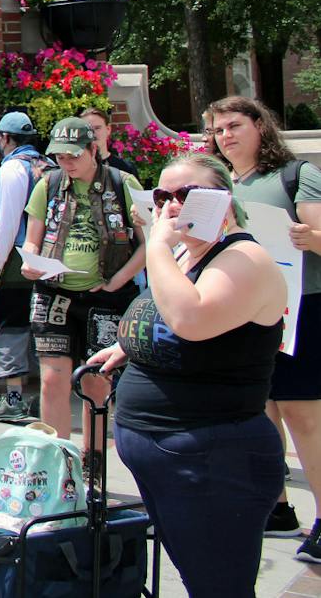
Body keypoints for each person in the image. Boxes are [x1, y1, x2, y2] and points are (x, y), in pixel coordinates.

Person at [89, 153, 287, 598]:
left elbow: (191, 318)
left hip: (213, 459)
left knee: (218, 588)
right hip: (166, 456)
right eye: (163, 196)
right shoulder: (186, 254)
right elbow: (165, 314)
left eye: (188, 194)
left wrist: (154, 245)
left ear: (226, 200)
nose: (173, 205)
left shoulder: (245, 259)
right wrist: (129, 346)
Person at [208, 94, 321, 556]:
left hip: (301, 308)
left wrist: (309, 236)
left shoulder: (296, 175)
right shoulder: (216, 183)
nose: (226, 136)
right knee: (259, 412)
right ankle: (276, 506)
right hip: (243, 311)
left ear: (260, 125)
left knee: (303, 416)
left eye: (234, 125)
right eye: (217, 130)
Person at [21, 117, 145, 474]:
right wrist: (33, 262)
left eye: (73, 156)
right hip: (54, 291)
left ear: (94, 150)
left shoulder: (122, 183)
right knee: (52, 378)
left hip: (105, 295)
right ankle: (57, 460)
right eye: (60, 157)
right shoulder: (49, 184)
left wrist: (116, 281)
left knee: (95, 381)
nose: (67, 163)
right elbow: (33, 237)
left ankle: (93, 461)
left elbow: (147, 245)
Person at [0, 111, 45, 424]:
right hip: (48, 257)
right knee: (41, 326)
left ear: (5, 138)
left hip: (18, 259)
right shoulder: (47, 165)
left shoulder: (12, 169)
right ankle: (44, 397)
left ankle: (14, 398)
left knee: (8, 324)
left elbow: (8, 222)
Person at [80, 106, 136, 176]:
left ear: (108, 129)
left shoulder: (125, 168)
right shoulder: (72, 167)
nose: (92, 133)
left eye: (97, 128)